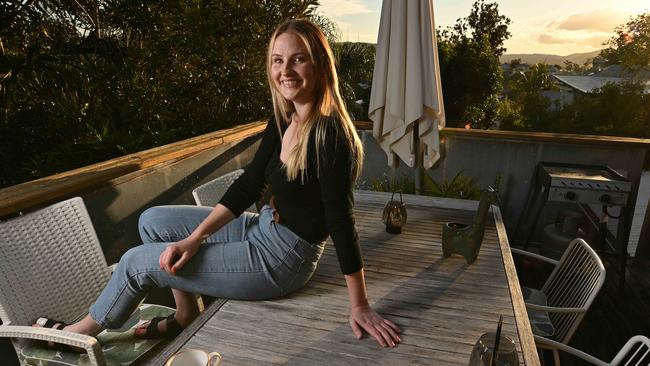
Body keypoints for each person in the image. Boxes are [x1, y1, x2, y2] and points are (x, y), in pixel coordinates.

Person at [33, 18, 401, 348]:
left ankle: (76, 335)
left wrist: (361, 305)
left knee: (134, 264)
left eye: (298, 59)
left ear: (320, 64)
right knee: (152, 221)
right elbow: (249, 184)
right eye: (277, 60)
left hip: (284, 258)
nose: (286, 70)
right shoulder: (285, 117)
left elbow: (341, 220)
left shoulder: (330, 136)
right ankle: (185, 315)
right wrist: (196, 238)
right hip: (261, 228)